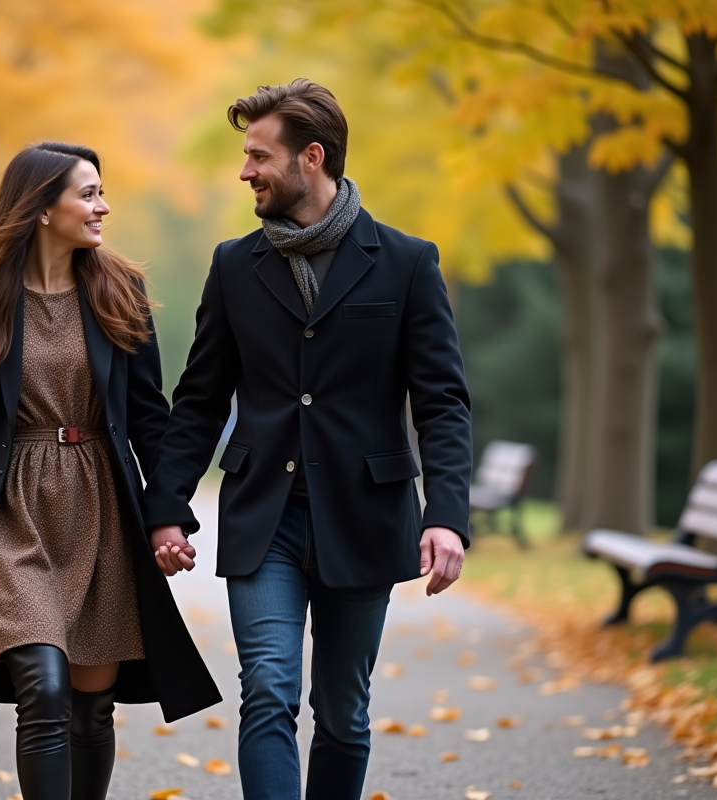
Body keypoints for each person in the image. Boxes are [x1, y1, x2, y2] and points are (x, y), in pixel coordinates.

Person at [143, 80, 473, 800]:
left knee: (343, 715)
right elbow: (199, 399)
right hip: (267, 517)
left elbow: (443, 403)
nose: (245, 171)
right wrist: (165, 505)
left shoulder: (407, 262)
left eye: (260, 156)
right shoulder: (235, 265)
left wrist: (446, 514)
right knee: (267, 691)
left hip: (367, 514)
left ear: (312, 158)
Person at [0, 142, 221, 800]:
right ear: (42, 208)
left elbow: (149, 418)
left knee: (90, 703)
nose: (102, 205)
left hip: (100, 507)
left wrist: (168, 517)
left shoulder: (120, 290)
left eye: (102, 192)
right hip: (11, 512)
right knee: (43, 687)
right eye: (87, 193)